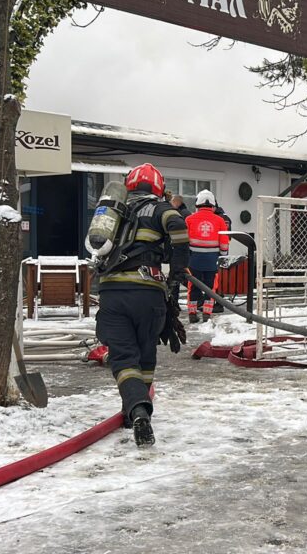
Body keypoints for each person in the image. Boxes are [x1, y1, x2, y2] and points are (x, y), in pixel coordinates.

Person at [95, 163, 189, 448]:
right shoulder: (160, 209)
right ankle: (139, 409)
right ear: (158, 187)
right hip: (148, 293)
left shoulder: (113, 211)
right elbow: (178, 227)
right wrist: (178, 270)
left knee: (124, 358)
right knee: (145, 356)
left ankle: (136, 410)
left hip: (111, 293)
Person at [185, 189, 229, 323]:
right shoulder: (220, 220)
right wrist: (223, 256)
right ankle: (206, 314)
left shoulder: (189, 219)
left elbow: (184, 241)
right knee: (211, 287)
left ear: (197, 203)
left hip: (194, 260)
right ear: (213, 205)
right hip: (212, 260)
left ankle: (192, 313)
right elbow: (224, 241)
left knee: (193, 286)